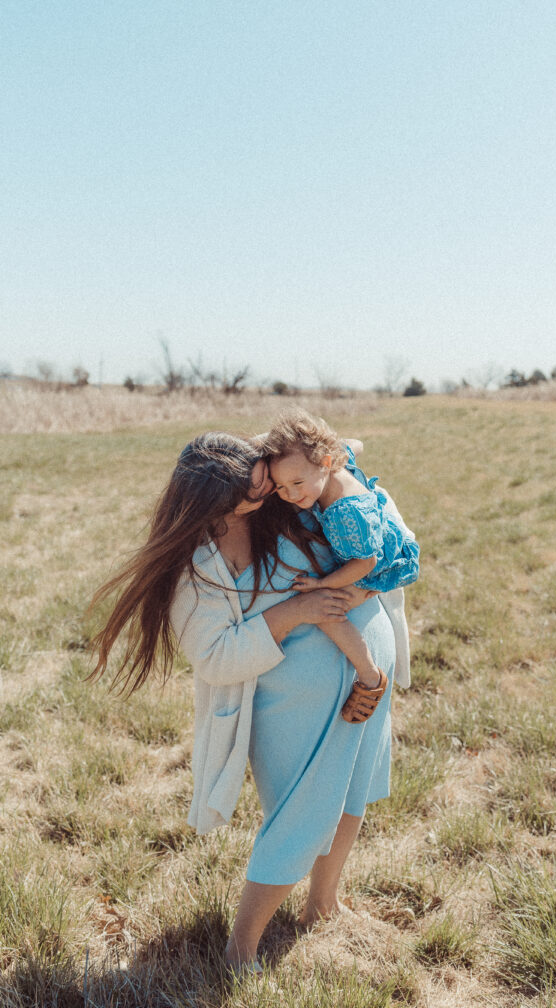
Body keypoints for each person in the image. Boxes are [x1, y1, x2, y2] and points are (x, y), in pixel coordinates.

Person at [88, 430, 413, 975]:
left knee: (351, 793)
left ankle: (322, 905)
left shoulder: (286, 499)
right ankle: (240, 948)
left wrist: (362, 593)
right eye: (254, 487)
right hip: (293, 703)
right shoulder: (198, 568)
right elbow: (216, 657)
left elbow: (373, 515)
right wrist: (300, 611)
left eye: (266, 478)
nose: (268, 491)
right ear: (216, 501)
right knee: (300, 816)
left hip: (366, 679)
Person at [263, 410, 419, 724]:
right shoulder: (337, 460)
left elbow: (367, 561)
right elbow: (355, 444)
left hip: (379, 563)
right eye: (280, 487)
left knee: (328, 611)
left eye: (296, 482)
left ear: (324, 463)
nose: (290, 494)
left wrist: (323, 585)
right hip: (367, 547)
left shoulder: (344, 513)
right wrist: (336, 445)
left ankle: (370, 677)